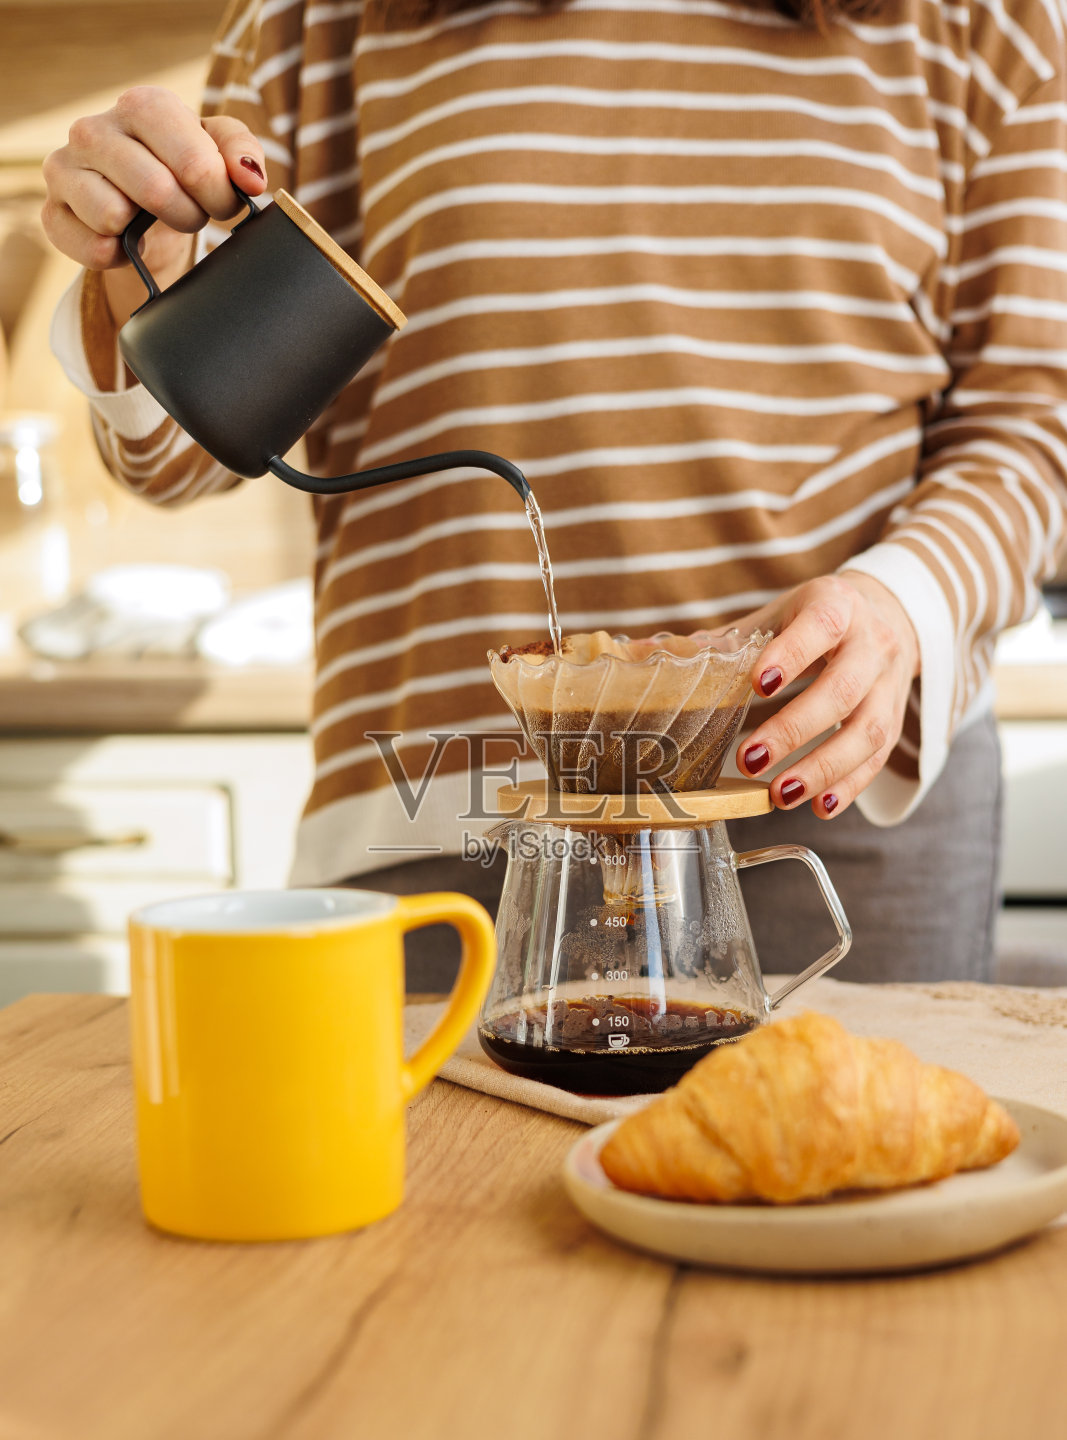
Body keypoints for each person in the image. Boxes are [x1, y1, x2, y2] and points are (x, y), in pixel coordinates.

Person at [42, 0, 1067, 987]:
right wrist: (147, 255)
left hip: (819, 803)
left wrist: (901, 603)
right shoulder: (317, 15)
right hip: (448, 804)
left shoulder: (977, 19)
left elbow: (1031, 417)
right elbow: (177, 453)